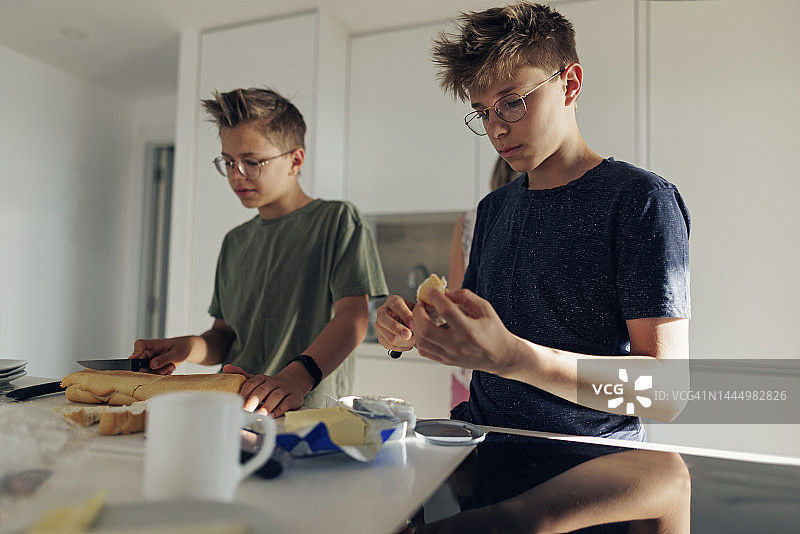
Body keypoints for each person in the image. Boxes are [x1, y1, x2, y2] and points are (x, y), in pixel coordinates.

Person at [376, 2, 690, 440]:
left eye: (511, 102)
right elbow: (473, 338)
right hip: (481, 444)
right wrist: (412, 334)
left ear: (570, 84)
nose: (496, 128)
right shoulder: (493, 210)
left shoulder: (640, 200)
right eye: (483, 111)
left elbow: (666, 396)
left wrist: (517, 359)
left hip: (585, 462)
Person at [131, 88, 388, 418]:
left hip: (306, 416)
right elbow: (223, 337)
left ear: (295, 160)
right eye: (228, 162)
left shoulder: (337, 220)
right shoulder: (235, 242)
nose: (237, 175)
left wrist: (294, 379)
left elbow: (354, 318)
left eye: (252, 162)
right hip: (234, 409)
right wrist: (186, 348)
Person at [447, 157, 520, 408]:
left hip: (470, 369)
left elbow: (455, 299)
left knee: (464, 444)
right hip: (523, 376)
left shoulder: (469, 220)